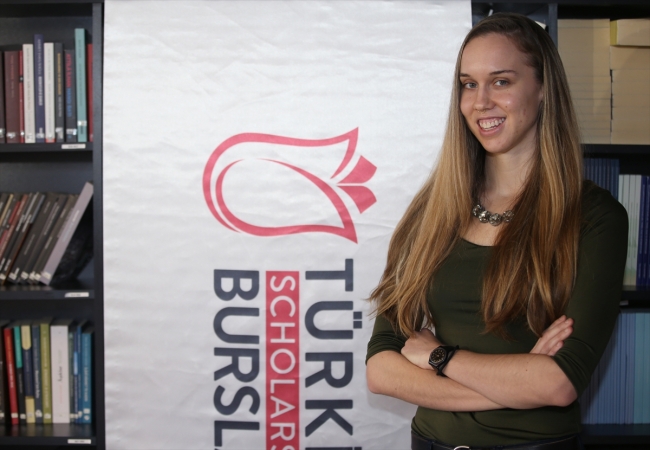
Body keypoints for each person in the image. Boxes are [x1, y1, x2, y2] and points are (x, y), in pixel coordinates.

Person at [365, 12, 628, 450]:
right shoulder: (432, 211)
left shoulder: (593, 217)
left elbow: (559, 383)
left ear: (543, 89)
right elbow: (381, 370)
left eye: (501, 81)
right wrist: (517, 384)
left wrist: (438, 357)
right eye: (468, 84)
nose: (481, 101)